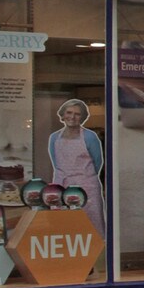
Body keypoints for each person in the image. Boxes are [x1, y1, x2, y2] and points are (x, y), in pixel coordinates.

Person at [47, 98, 107, 236]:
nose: (72, 117)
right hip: (62, 185)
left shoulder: (90, 137)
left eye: (77, 114)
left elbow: (98, 162)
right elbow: (55, 162)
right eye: (69, 112)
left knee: (92, 225)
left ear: (83, 117)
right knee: (63, 224)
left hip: (87, 186)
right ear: (62, 115)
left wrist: (83, 177)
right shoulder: (54, 138)